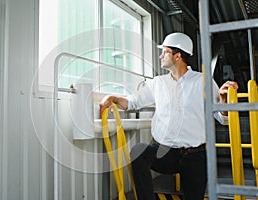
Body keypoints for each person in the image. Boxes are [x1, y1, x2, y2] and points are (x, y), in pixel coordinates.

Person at [99, 32, 238, 200]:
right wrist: (112, 98)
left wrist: (223, 99)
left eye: (164, 52)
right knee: (139, 152)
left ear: (177, 56)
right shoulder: (157, 83)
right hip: (165, 153)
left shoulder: (203, 81)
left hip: (196, 156)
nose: (160, 56)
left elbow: (223, 119)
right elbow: (133, 101)